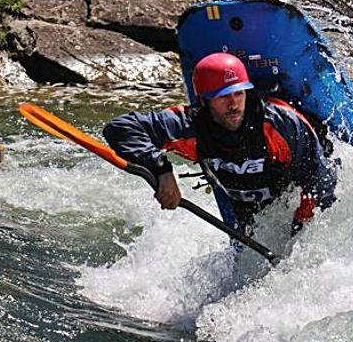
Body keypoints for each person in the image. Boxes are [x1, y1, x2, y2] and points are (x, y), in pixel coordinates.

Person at [103, 52, 337, 238]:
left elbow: (319, 178)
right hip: (241, 204)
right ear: (204, 101)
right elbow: (121, 128)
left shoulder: (282, 125)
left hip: (293, 193)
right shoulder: (189, 125)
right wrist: (161, 169)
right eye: (223, 97)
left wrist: (301, 226)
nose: (233, 105)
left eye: (238, 94)